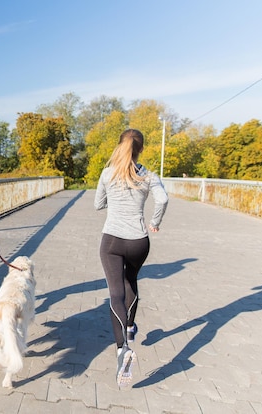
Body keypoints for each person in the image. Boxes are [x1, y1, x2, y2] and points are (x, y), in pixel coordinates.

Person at [94, 128, 168, 386]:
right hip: (139, 241)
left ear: (119, 145)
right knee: (131, 282)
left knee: (115, 293)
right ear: (142, 149)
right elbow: (163, 199)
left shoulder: (107, 173)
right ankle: (130, 327)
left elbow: (97, 204)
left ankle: (122, 348)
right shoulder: (148, 175)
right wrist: (155, 222)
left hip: (112, 240)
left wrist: (113, 198)